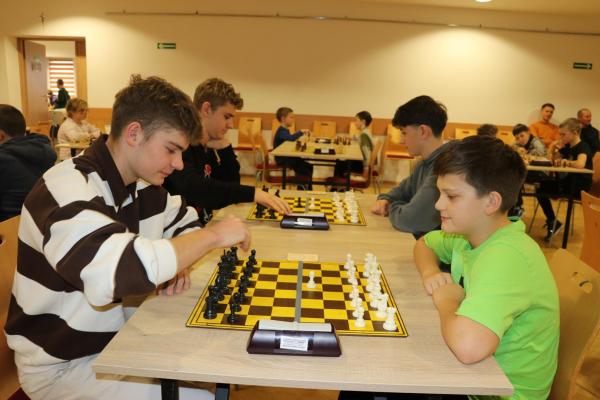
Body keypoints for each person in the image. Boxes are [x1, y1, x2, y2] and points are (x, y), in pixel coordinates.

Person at [5, 75, 250, 400]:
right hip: (65, 366)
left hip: (120, 342)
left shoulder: (144, 186)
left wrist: (180, 260)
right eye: (171, 150)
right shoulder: (65, 189)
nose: (178, 164)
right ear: (134, 133)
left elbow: (185, 222)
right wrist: (213, 236)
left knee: (209, 368)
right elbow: (116, 272)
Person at [415, 135, 559, 400]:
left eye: (451, 196)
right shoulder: (467, 236)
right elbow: (424, 244)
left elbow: (468, 348)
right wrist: (430, 272)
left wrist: (447, 300)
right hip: (477, 380)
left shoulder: (507, 255)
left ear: (491, 202)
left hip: (501, 393)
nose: (438, 204)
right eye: (439, 193)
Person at [164, 78, 290, 224]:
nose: (231, 125)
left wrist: (226, 150)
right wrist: (253, 193)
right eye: (226, 117)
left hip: (203, 227)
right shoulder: (181, 146)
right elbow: (194, 188)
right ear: (207, 109)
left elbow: (229, 187)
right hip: (181, 234)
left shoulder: (209, 146)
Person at [371, 95, 451, 239]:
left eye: (404, 132)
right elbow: (402, 191)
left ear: (423, 131)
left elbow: (409, 220)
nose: (401, 141)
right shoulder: (424, 163)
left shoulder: (444, 168)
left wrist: (391, 206)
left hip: (436, 251)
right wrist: (386, 198)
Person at [535, 117, 593, 241]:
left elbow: (580, 163)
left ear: (575, 133)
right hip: (566, 183)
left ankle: (553, 222)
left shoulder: (583, 147)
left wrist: (567, 162)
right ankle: (553, 221)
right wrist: (552, 147)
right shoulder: (567, 147)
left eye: (563, 134)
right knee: (540, 187)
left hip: (578, 186)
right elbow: (552, 160)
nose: (560, 137)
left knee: (542, 189)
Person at [0, 104, 56, 221]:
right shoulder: (44, 150)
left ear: (1, 136)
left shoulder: (4, 159)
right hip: (42, 226)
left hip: (9, 228)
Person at [273, 107, 313, 189]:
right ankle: (303, 188)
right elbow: (291, 138)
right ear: (283, 119)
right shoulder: (281, 131)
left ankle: (304, 188)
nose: (293, 120)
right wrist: (300, 132)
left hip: (287, 157)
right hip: (283, 159)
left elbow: (290, 139)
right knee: (305, 168)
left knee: (308, 166)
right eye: (291, 117)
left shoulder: (285, 130)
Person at [332, 111, 374, 179]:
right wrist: (350, 137)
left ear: (363, 121)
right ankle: (338, 183)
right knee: (340, 162)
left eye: (356, 120)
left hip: (361, 166)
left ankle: (337, 183)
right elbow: (359, 137)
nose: (355, 123)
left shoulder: (364, 135)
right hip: (361, 163)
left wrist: (366, 169)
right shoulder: (365, 132)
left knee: (339, 163)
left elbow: (367, 154)